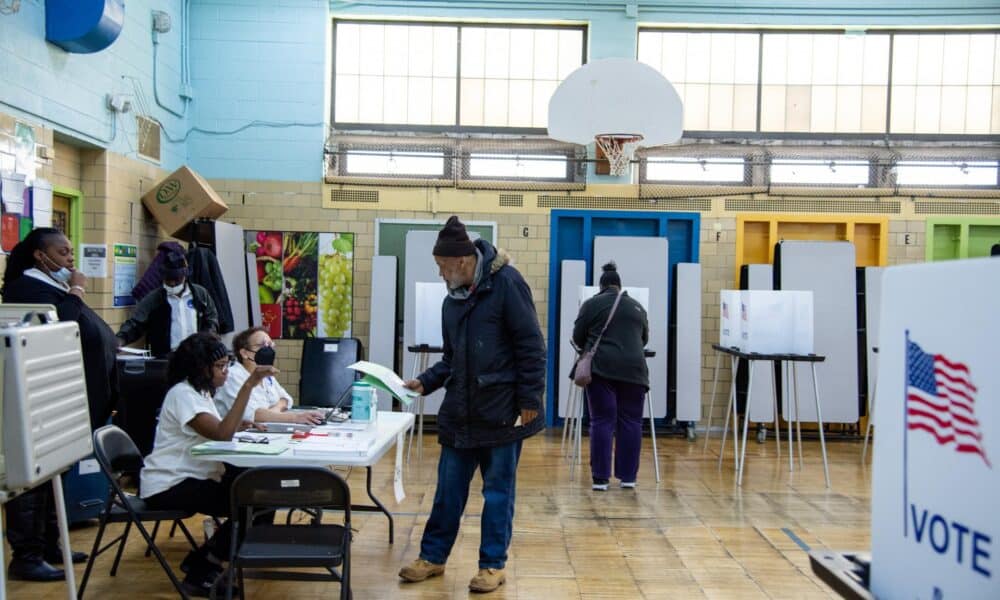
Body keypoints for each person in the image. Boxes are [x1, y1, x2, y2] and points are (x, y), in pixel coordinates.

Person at [397, 215, 545, 594]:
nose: (440, 275)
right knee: (447, 490)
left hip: (502, 412)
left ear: (462, 262)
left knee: (497, 493)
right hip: (460, 413)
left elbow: (532, 347)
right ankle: (433, 557)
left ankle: (493, 565)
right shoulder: (453, 301)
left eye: (442, 268)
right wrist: (425, 381)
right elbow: (451, 358)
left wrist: (530, 400)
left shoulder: (508, 284)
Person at [1, 227, 118, 581]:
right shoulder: (26, 286)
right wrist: (77, 289)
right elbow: (60, 326)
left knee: (56, 471)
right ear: (41, 255)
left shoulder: (49, 285)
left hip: (70, 399)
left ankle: (51, 543)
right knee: (34, 480)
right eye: (64, 252)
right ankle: (27, 553)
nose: (71, 259)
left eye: (71, 252)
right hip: (40, 401)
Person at [140, 332, 277, 596]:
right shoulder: (183, 394)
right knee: (252, 499)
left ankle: (204, 558)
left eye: (226, 365)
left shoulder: (200, 392)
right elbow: (221, 434)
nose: (225, 372)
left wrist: (243, 424)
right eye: (219, 366)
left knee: (259, 493)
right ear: (200, 367)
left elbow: (218, 429)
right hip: (170, 484)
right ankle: (204, 567)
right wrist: (248, 386)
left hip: (194, 477)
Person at [572, 262, 649, 491]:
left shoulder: (591, 304)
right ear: (619, 285)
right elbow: (644, 339)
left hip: (602, 369)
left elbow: (578, 337)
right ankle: (628, 478)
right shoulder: (637, 307)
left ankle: (600, 479)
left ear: (601, 286)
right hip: (635, 371)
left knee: (603, 420)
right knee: (632, 422)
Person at [116, 247, 219, 358]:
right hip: (166, 358)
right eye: (168, 280)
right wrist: (120, 339)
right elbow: (135, 324)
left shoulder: (200, 295)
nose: (172, 283)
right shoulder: (154, 299)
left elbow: (211, 319)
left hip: (197, 357)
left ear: (185, 276)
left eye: (176, 279)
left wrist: (207, 339)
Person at [214, 326, 325, 425]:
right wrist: (295, 417)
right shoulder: (232, 376)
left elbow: (286, 399)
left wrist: (271, 413)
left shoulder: (266, 375)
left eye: (271, 345)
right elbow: (251, 415)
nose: (268, 349)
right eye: (262, 345)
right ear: (244, 353)